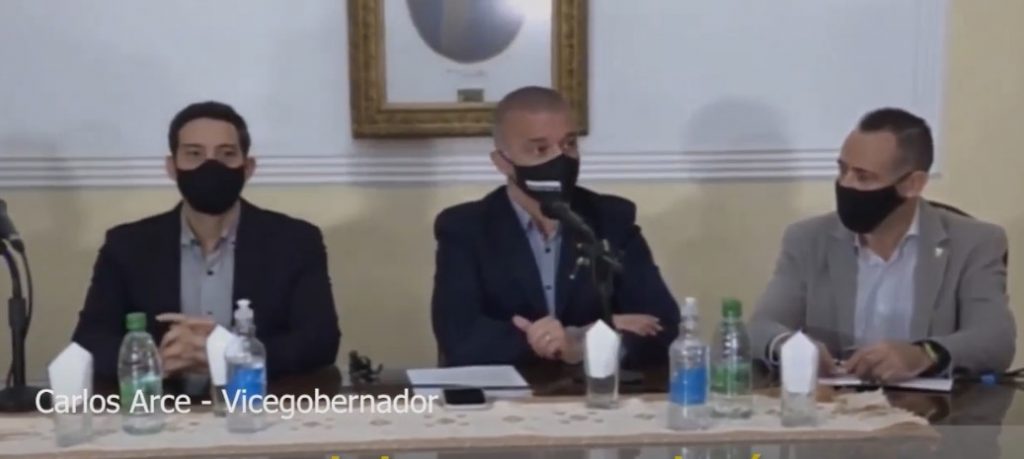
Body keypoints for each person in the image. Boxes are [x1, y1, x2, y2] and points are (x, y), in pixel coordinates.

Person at [72, 101, 341, 384]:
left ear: (248, 167)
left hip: (255, 403)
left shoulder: (295, 242)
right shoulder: (127, 246)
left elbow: (320, 342)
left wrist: (228, 355)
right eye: (194, 154)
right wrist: (157, 358)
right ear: (172, 167)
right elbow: (89, 340)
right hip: (161, 405)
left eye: (227, 154)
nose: (210, 166)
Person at [749, 107, 1015, 383]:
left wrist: (923, 354)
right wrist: (791, 346)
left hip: (930, 407)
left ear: (913, 184)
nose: (846, 184)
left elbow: (995, 339)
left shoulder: (974, 242)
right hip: (833, 404)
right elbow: (759, 328)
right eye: (842, 170)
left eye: (863, 177)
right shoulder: (808, 239)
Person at [431, 86, 680, 368]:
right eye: (540, 149)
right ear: (502, 162)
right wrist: (578, 336)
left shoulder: (610, 218)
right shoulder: (465, 228)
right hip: (505, 391)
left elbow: (664, 328)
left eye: (569, 144)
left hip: (593, 389)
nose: (560, 159)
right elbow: (460, 339)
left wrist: (580, 346)